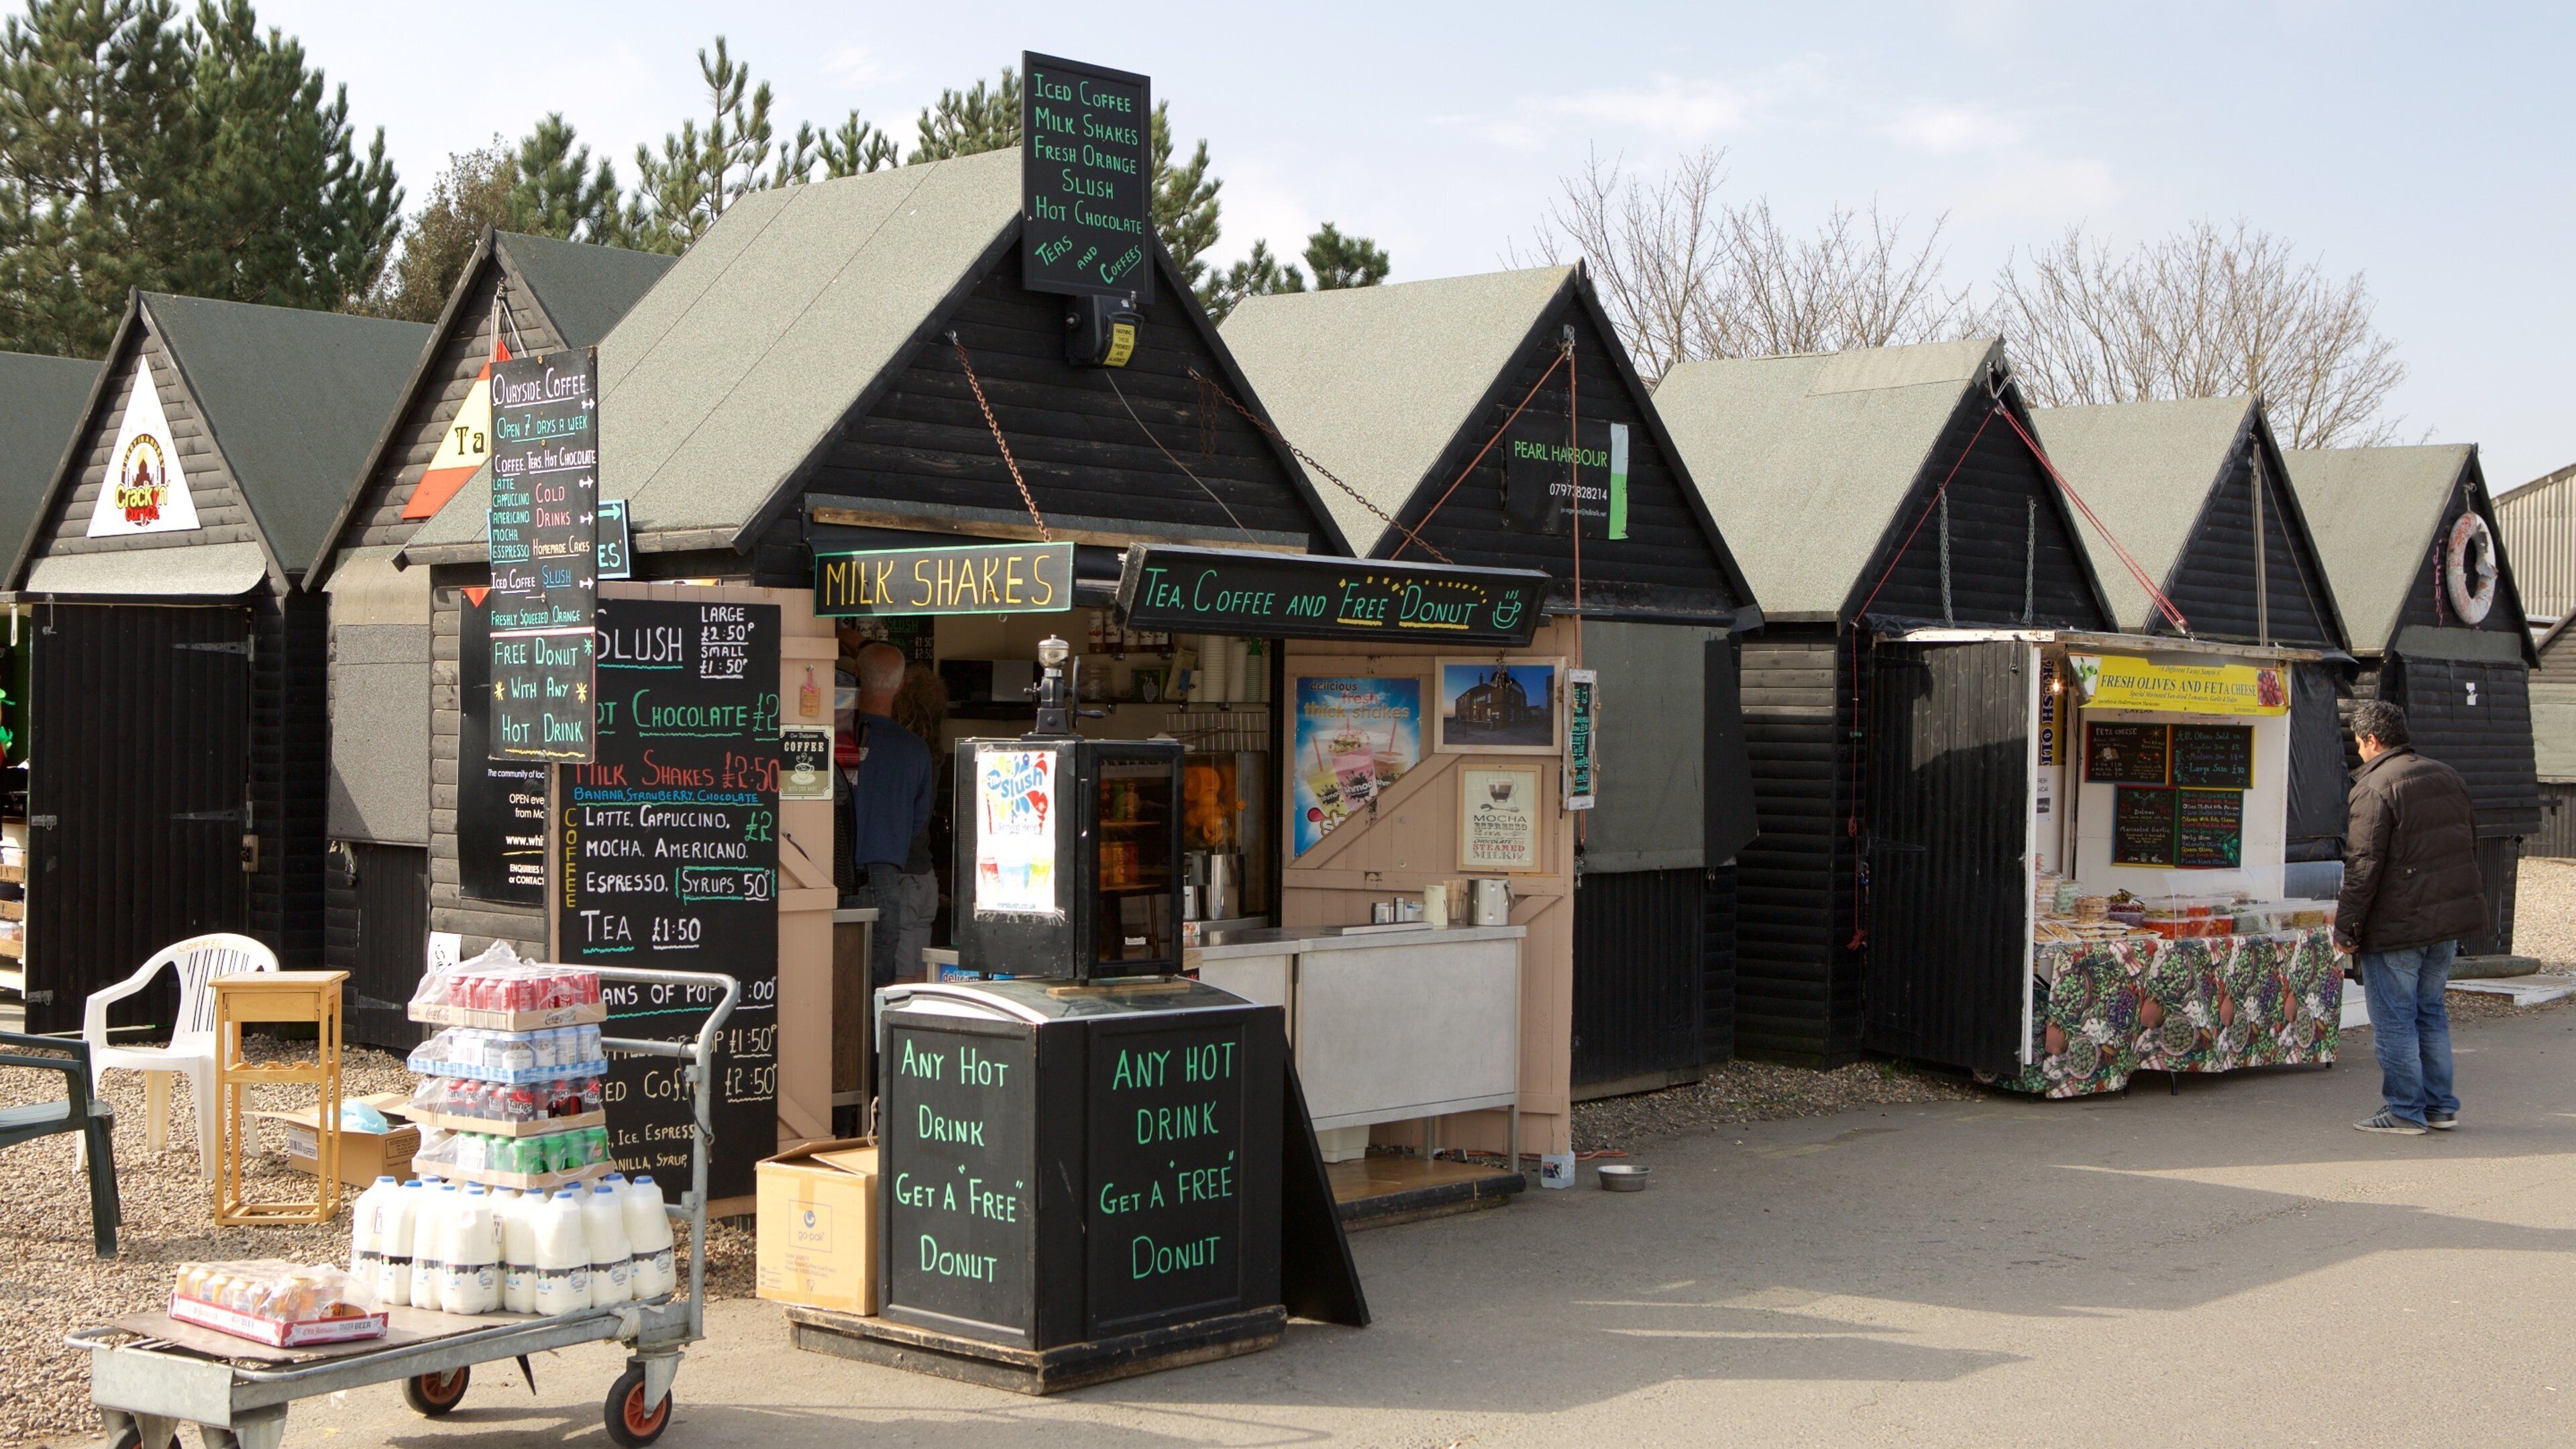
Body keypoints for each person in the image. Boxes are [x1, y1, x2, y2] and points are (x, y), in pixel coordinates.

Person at [2336, 699, 2485, 1136]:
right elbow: (2468, 843)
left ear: (2372, 740)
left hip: (2398, 924)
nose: (2359, 752)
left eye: (2359, 743)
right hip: (2447, 921)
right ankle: (2440, 1107)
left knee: (2396, 1018)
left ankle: (2404, 1111)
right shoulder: (2447, 776)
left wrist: (2346, 930)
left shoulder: (2374, 788)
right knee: (2430, 1012)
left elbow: (2362, 866)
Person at [843, 643, 935, 991]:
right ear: (898, 687)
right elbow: (917, 823)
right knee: (877, 988)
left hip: (827, 875)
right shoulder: (914, 749)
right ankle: (873, 1047)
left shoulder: (834, 739)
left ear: (855, 680)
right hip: (885, 879)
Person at [886, 664, 951, 986]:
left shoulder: (903, 753)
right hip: (925, 877)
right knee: (922, 975)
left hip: (905, 874)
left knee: (901, 980)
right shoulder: (935, 754)